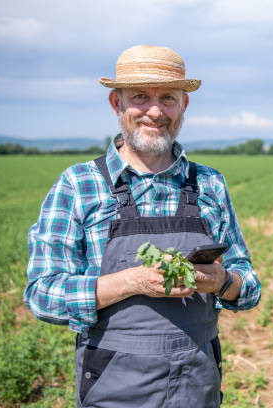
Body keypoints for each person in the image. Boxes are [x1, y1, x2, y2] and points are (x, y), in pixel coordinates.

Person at [23, 45, 261, 407]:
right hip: (114, 386)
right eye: (139, 97)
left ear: (184, 105)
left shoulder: (209, 184)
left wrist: (223, 281)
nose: (155, 111)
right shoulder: (79, 184)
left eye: (167, 97)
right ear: (116, 103)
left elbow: (249, 283)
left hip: (197, 384)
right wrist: (132, 282)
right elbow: (43, 295)